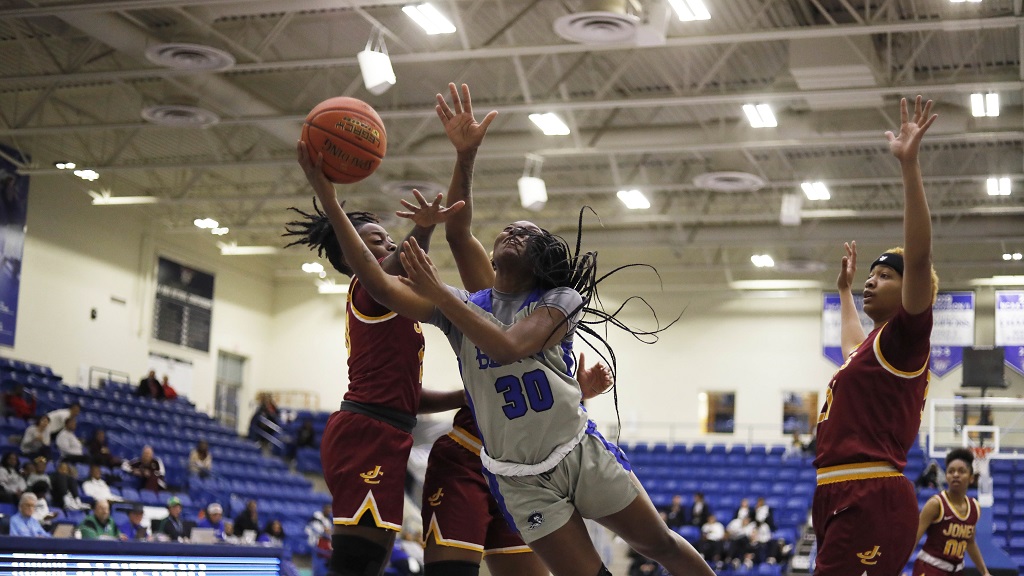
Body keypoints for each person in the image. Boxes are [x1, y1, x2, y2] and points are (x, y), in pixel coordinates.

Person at [299, 83, 714, 576]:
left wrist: (442, 298)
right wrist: (464, 155)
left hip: (575, 450)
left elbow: (508, 346)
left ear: (540, 261)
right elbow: (441, 241)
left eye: (527, 232)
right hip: (512, 472)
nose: (513, 231)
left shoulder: (557, 300)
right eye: (508, 229)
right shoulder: (468, 301)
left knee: (660, 545)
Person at [286, 120, 469, 575]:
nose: (390, 243)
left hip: (385, 427)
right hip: (367, 433)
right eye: (375, 242)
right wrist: (329, 198)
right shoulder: (367, 290)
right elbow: (388, 267)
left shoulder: (394, 305)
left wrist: (465, 398)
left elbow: (406, 395)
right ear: (354, 261)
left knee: (374, 559)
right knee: (358, 562)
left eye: (389, 237)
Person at [812, 96, 939, 576]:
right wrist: (844, 292)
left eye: (885, 275)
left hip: (871, 492)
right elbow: (849, 348)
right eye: (870, 274)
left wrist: (909, 167)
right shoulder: (875, 347)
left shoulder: (907, 338)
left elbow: (921, 260)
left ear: (910, 288)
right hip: (836, 490)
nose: (872, 280)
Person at [912, 448, 991, 576]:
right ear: (946, 476)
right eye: (951, 471)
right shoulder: (936, 504)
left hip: (956, 571)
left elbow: (969, 542)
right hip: (930, 568)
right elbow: (913, 538)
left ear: (971, 478)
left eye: (961, 471)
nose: (955, 475)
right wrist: (898, 568)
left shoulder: (975, 507)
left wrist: (985, 572)